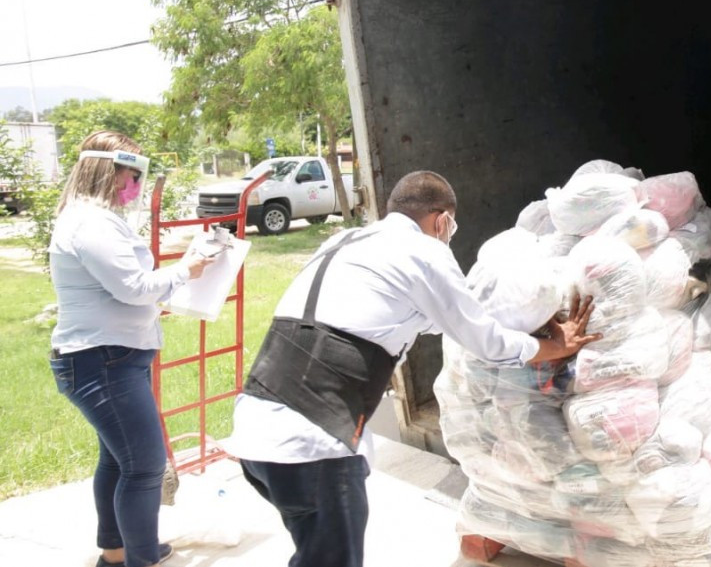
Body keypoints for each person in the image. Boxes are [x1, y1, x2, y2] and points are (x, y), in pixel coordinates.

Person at [225, 170, 602, 567]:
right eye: (450, 228)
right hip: (311, 444)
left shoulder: (347, 239)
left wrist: (514, 317)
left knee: (315, 553)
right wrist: (553, 345)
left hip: (256, 428)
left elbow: (432, 320)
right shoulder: (427, 253)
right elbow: (486, 343)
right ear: (442, 221)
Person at [48, 131, 214, 567]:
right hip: (102, 362)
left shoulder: (92, 218)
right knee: (143, 465)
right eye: (132, 172)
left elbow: (124, 280)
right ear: (109, 169)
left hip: (111, 357)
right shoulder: (90, 222)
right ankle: (138, 559)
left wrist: (175, 266)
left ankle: (118, 551)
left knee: (120, 461)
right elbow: (134, 287)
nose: (136, 183)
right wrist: (185, 270)